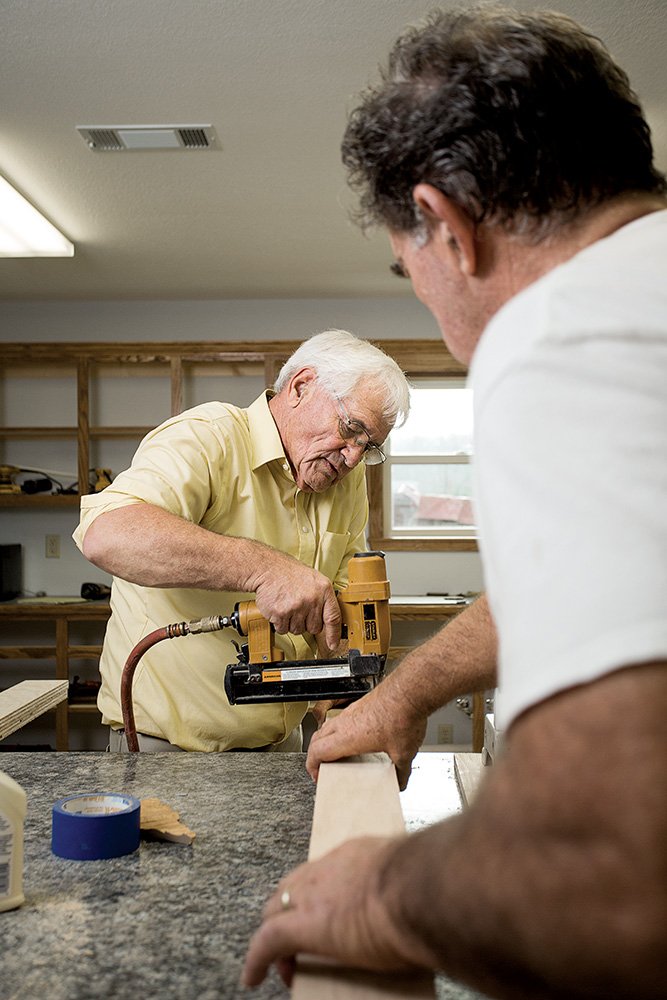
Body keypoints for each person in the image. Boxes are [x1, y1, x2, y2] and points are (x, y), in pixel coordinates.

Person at [243, 6, 667, 997]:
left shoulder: (564, 332)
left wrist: (379, 893)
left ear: (445, 224)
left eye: (410, 268)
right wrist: (402, 694)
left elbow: (605, 875)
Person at [73, 329, 410, 752]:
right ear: (301, 387)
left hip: (284, 739)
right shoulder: (207, 437)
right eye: (351, 428)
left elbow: (341, 605)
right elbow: (108, 534)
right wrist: (264, 569)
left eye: (370, 446)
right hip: (167, 749)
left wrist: (345, 690)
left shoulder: (347, 478)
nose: (354, 457)